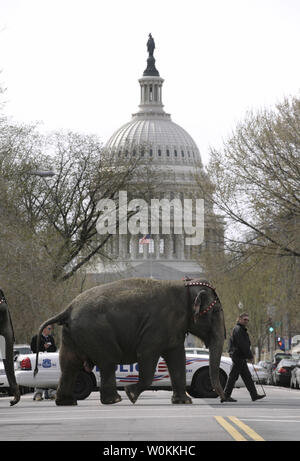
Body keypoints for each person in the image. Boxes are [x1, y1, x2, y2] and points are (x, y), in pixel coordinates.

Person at [221, 312, 266, 403]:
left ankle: (254, 395)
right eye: (245, 319)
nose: (246, 321)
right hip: (238, 356)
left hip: (240, 356)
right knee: (233, 376)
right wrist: (250, 356)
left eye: (247, 320)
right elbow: (243, 345)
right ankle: (225, 395)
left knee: (247, 377)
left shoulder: (241, 329)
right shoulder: (238, 330)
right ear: (239, 319)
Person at [30, 325, 57, 401]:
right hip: (39, 361)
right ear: (44, 329)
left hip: (50, 361)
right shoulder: (36, 338)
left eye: (50, 329)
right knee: (39, 376)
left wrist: (49, 347)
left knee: (51, 376)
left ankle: (52, 393)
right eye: (49, 328)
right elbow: (33, 348)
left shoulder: (51, 338)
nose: (50, 330)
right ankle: (38, 394)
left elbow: (54, 348)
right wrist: (43, 347)